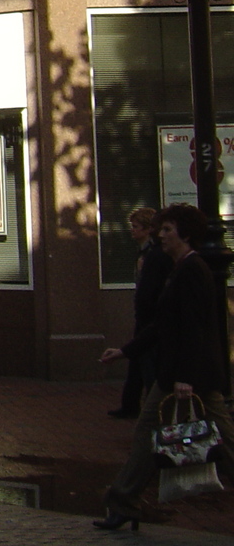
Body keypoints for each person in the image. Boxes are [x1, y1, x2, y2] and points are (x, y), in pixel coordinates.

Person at [96, 204, 234, 529]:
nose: (162, 235)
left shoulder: (193, 271)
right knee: (147, 430)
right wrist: (126, 351)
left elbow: (195, 329)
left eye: (169, 230)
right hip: (174, 373)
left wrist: (186, 378)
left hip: (189, 375)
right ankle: (124, 500)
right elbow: (161, 325)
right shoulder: (178, 270)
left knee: (223, 437)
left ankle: (124, 500)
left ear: (185, 235)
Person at [109, 206, 171, 419]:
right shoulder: (146, 252)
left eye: (136, 227)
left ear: (147, 229)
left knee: (146, 362)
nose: (132, 231)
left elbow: (149, 290)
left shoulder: (154, 254)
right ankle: (130, 404)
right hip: (146, 317)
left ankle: (150, 406)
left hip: (149, 318)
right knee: (138, 360)